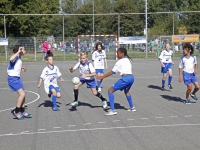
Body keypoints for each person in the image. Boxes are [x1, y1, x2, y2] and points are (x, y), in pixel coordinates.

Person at [98, 48, 135, 116]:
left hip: (125, 78)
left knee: (110, 91)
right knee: (126, 92)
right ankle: (132, 107)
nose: (117, 55)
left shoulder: (119, 62)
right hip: (131, 78)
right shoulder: (128, 60)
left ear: (122, 54)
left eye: (118, 53)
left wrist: (102, 77)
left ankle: (113, 110)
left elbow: (112, 72)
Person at [8, 45, 32, 120]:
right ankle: (17, 111)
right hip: (12, 78)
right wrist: (18, 51)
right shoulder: (15, 56)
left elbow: (13, 66)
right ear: (19, 50)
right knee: (22, 94)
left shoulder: (19, 58)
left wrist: (21, 68)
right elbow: (10, 59)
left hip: (17, 78)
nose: (25, 51)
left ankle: (23, 111)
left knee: (24, 94)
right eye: (23, 50)